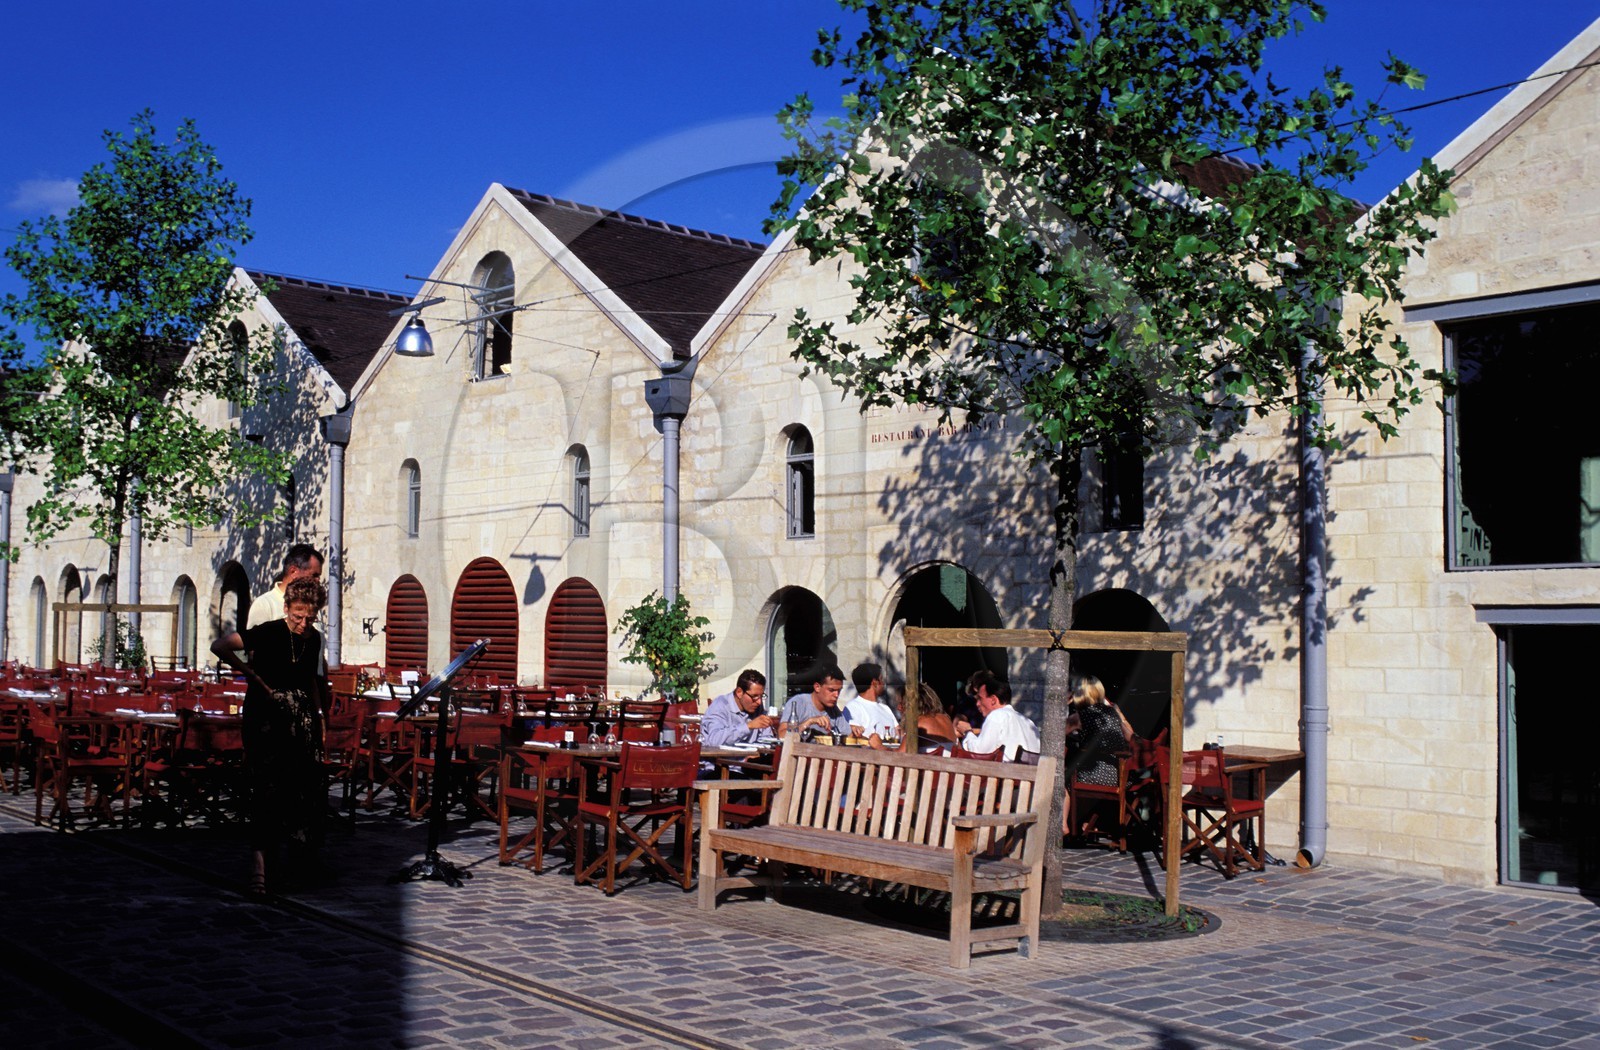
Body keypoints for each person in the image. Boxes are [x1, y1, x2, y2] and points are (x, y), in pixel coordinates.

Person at [212, 576, 332, 896]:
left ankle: (295, 866)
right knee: (266, 791)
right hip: (267, 719)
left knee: (301, 793)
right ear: (286, 608)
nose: (304, 623)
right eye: (298, 616)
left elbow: (310, 681)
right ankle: (260, 868)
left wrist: (320, 717)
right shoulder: (268, 632)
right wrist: (252, 676)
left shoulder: (315, 639)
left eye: (311, 617)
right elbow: (220, 646)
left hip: (301, 720)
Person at [951, 671, 1039, 760]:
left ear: (993, 699)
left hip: (1005, 772)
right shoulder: (1029, 723)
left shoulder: (997, 716)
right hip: (1027, 772)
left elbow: (978, 752)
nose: (977, 704)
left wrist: (967, 732)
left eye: (980, 699)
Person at [1064, 676, 1135, 785]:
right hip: (1119, 776)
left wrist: (1064, 703)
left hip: (1092, 775)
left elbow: (1056, 735)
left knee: (1060, 782)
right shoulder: (1113, 711)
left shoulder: (1080, 716)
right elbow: (1130, 737)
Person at [247, 543, 324, 628]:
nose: (318, 581)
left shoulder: (313, 602)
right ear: (293, 571)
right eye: (314, 575)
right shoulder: (264, 605)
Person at [700, 669, 777, 749]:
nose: (759, 702)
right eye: (754, 696)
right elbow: (715, 740)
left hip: (748, 760)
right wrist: (748, 726)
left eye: (761, 696)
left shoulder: (756, 707)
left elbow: (767, 738)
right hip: (719, 760)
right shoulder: (720, 706)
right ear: (739, 692)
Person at [777, 664, 852, 739]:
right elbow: (781, 735)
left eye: (839, 690)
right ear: (817, 687)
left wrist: (855, 732)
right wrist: (809, 722)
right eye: (831, 690)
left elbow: (849, 736)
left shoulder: (833, 710)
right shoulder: (798, 703)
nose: (836, 695)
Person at [844, 662, 899, 746]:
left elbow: (899, 732)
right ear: (875, 683)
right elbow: (852, 737)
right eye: (881, 679)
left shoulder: (885, 708)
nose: (884, 683)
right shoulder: (853, 707)